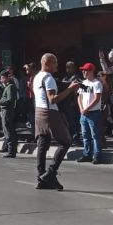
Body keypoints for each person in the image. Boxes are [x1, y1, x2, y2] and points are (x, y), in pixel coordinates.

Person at [34, 53, 80, 190]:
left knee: (43, 143)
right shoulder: (48, 78)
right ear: (47, 63)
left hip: (38, 112)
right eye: (55, 63)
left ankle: (41, 178)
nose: (57, 66)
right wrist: (70, 89)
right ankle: (51, 173)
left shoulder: (37, 77)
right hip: (50, 113)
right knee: (66, 141)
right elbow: (53, 99)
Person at [76, 63, 104, 164]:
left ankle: (97, 155)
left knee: (95, 135)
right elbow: (79, 97)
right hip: (84, 113)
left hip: (93, 113)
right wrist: (81, 108)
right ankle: (87, 154)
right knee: (85, 135)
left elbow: (97, 98)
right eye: (83, 70)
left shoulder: (97, 83)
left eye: (86, 70)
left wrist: (87, 108)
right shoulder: (83, 83)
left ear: (92, 71)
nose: (84, 72)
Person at [0, 70, 18, 158]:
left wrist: (0, 102)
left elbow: (10, 100)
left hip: (7, 111)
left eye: (2, 78)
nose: (1, 79)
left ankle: (11, 151)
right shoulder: (7, 86)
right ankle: (10, 149)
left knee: (8, 130)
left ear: (5, 78)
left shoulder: (10, 87)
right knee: (8, 130)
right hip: (5, 111)